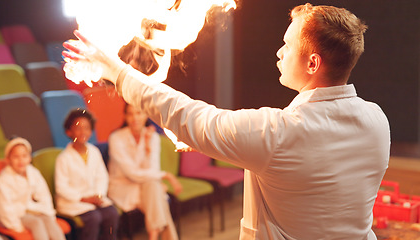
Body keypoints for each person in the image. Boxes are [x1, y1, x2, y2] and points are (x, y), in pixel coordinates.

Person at [63, 3, 390, 240]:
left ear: (313, 62)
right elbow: (311, 170)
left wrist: (116, 71)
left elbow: (186, 114)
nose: (279, 52)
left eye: (287, 45)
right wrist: (212, 141)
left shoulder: (280, 133)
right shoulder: (377, 120)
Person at [108, 104, 182, 240]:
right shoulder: (116, 138)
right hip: (123, 186)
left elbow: (151, 170)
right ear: (125, 116)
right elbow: (131, 173)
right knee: (157, 195)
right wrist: (166, 176)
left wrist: (147, 146)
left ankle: (153, 236)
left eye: (138, 113)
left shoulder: (152, 137)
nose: (134, 118)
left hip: (145, 185)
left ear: (146, 115)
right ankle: (155, 236)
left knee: (154, 190)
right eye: (130, 114)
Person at [55, 109, 119, 240]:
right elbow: (61, 187)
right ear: (69, 132)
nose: (83, 132)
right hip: (74, 202)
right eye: (78, 128)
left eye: (87, 128)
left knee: (111, 214)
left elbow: (102, 176)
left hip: (94, 199)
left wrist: (98, 195)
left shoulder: (94, 151)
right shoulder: (63, 158)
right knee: (93, 218)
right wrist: (84, 199)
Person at [0, 137, 66, 240]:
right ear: (8, 159)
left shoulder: (33, 172)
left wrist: (48, 212)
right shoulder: (3, 180)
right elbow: (3, 208)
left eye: (24, 156)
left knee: (48, 220)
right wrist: (16, 226)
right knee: (37, 223)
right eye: (16, 157)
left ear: (29, 157)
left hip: (31, 209)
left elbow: (44, 195)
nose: (21, 160)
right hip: (16, 214)